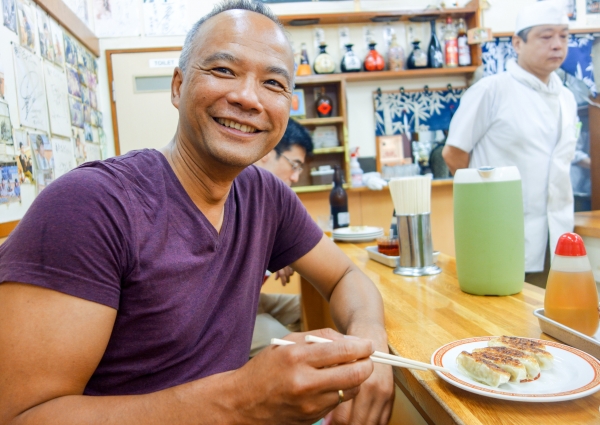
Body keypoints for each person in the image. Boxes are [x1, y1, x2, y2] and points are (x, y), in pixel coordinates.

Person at [0, 1, 394, 424]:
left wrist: (371, 341)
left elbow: (345, 275)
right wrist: (240, 400)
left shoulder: (266, 196)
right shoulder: (90, 205)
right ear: (177, 86)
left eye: (273, 83)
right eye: (223, 70)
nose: (248, 97)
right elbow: (22, 415)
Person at [442, 0, 578, 284]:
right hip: (501, 235)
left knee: (554, 309)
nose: (557, 45)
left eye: (564, 36)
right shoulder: (491, 90)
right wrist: (486, 204)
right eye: (546, 36)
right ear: (517, 43)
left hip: (556, 236)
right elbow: (453, 153)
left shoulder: (566, 97)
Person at [252, 118, 313, 357]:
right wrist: (272, 254)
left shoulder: (270, 199)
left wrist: (277, 252)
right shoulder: (236, 188)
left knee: (310, 307)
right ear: (267, 151)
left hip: (249, 302)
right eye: (294, 165)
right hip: (218, 315)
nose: (296, 177)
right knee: (301, 350)